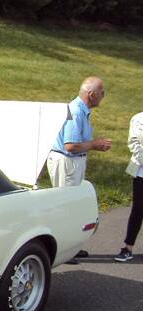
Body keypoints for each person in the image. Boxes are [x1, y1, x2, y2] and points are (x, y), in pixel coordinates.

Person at [47, 76, 112, 262]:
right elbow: (70, 145)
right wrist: (94, 144)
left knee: (71, 206)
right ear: (91, 94)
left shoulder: (81, 110)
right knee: (65, 207)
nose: (103, 95)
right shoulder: (76, 112)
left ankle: (70, 248)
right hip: (67, 161)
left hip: (72, 161)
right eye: (101, 92)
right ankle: (62, 251)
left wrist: (92, 145)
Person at [115, 111, 143, 262]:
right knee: (138, 209)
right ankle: (128, 247)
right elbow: (133, 143)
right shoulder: (138, 119)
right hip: (140, 171)